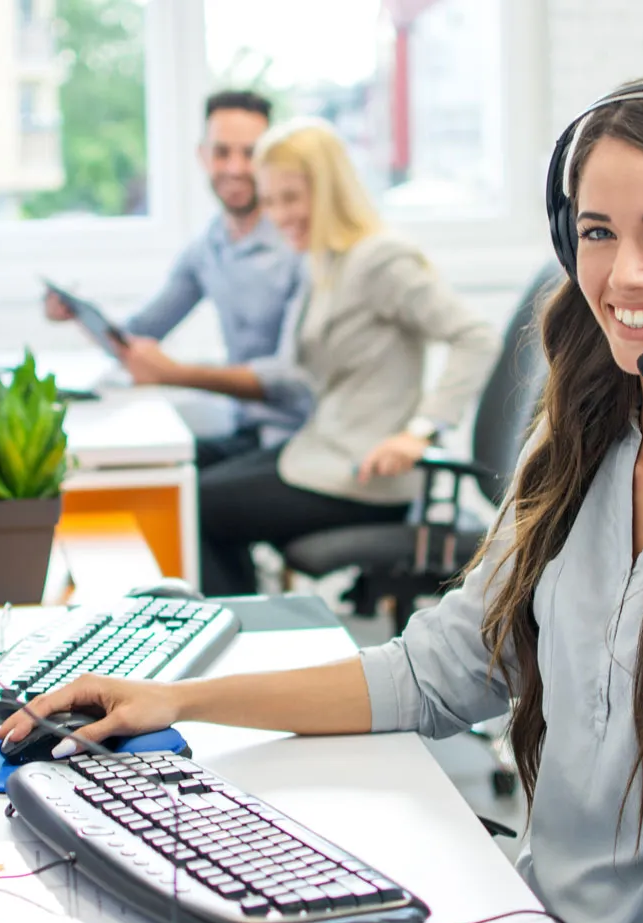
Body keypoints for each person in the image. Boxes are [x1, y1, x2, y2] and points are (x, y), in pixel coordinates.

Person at [0, 65, 643, 923]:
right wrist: (181, 700)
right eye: (597, 233)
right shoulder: (584, 448)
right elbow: (438, 670)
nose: (625, 275)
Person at [112, 117, 500, 596]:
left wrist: (420, 431)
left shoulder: (380, 259)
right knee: (188, 490)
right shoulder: (324, 260)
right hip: (322, 452)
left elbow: (474, 335)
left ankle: (238, 647)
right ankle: (242, 632)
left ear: (331, 190)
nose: (277, 215)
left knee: (197, 508)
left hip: (364, 475)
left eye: (291, 199)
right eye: (270, 200)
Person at [43, 90, 304, 467]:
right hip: (244, 433)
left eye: (250, 153)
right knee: (132, 473)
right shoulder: (208, 248)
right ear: (202, 156)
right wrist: (79, 315)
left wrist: (176, 374)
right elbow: (140, 335)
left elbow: (291, 377)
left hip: (293, 440)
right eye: (221, 152)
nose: (234, 168)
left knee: (187, 498)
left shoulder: (297, 244)